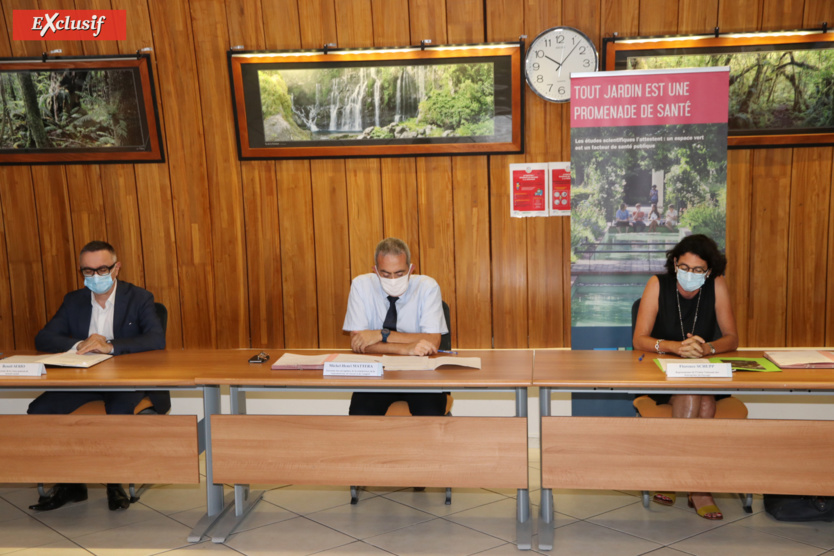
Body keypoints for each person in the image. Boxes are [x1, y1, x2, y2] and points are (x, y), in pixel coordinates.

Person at [28, 240, 166, 512]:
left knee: (117, 412)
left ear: (116, 268)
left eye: (101, 269)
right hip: (83, 380)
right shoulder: (74, 300)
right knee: (41, 410)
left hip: (126, 382)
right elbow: (43, 337)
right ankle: (70, 484)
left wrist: (110, 346)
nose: (95, 276)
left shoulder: (139, 298)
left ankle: (114, 483)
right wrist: (79, 344)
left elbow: (156, 338)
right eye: (87, 271)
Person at [632, 234, 739, 520]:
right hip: (661, 374)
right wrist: (674, 347)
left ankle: (679, 476)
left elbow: (731, 338)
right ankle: (698, 487)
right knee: (697, 399)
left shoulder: (717, 285)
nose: (689, 275)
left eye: (698, 270)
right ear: (675, 263)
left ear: (709, 271)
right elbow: (639, 339)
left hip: (704, 371)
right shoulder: (658, 284)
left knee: (701, 398)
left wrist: (707, 348)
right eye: (684, 267)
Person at [343, 237, 448, 415]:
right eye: (385, 274)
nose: (392, 280)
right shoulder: (361, 286)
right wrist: (406, 348)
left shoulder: (427, 287)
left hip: (421, 375)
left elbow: (433, 340)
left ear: (411, 269)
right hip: (377, 374)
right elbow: (358, 342)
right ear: (375, 271)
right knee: (360, 414)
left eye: (399, 273)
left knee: (430, 413)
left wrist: (381, 334)